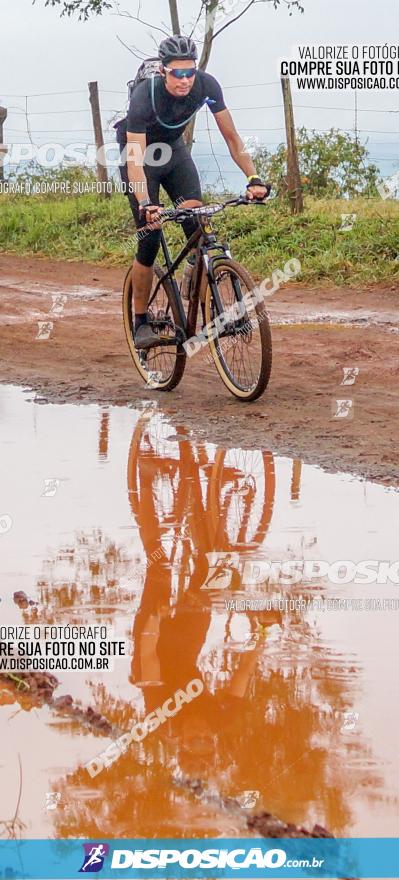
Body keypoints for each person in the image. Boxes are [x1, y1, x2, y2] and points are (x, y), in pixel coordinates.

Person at [125, 34, 270, 349]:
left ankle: (197, 284)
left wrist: (254, 177)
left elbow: (232, 137)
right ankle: (140, 323)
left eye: (190, 72)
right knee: (149, 235)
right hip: (141, 156)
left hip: (174, 152)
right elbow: (135, 159)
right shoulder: (143, 96)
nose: (185, 80)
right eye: (177, 73)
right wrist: (146, 202)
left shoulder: (207, 86)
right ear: (164, 71)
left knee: (198, 221)